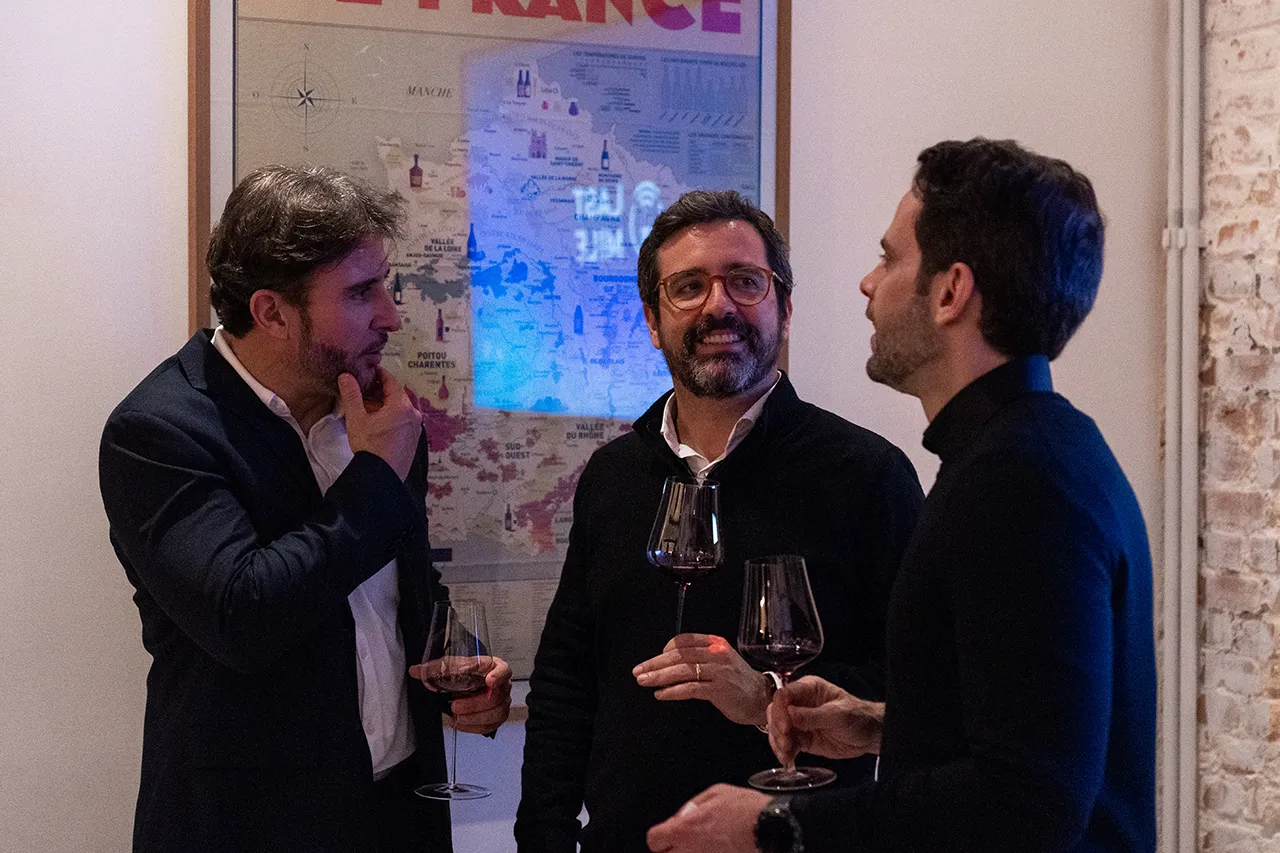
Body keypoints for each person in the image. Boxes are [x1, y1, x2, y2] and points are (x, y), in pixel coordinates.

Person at [647, 138, 1157, 853]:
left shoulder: (1018, 482)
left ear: (950, 292)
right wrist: (880, 723)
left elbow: (1026, 802)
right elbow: (1029, 730)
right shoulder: (1032, 451)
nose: (867, 283)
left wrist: (773, 824)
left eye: (889, 259)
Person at [99, 165, 512, 853]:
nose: (391, 315)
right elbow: (245, 615)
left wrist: (461, 675)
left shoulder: (377, 411)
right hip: (249, 827)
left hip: (399, 813)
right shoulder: (160, 431)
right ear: (271, 312)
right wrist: (376, 473)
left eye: (385, 284)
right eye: (360, 291)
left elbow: (393, 592)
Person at [515, 190, 924, 852]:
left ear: (784, 308)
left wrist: (765, 695)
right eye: (688, 287)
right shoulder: (612, 476)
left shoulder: (868, 476)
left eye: (744, 281)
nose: (718, 305)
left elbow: (918, 694)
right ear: (653, 321)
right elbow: (567, 682)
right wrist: (544, 837)